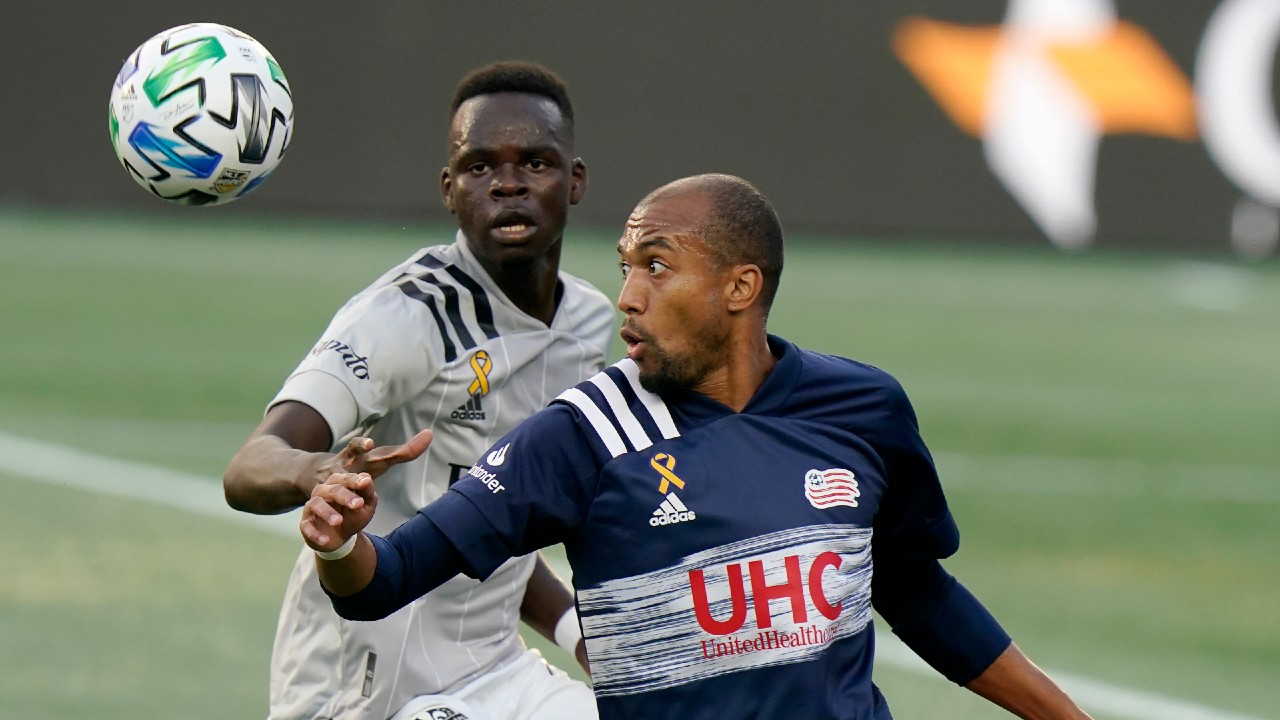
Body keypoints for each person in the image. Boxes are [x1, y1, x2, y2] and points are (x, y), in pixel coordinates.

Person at [299, 173, 1095, 719]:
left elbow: (916, 589)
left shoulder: (862, 410)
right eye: (624, 266)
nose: (627, 297)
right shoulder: (584, 435)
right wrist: (342, 541)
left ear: (739, 289)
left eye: (656, 266)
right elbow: (384, 581)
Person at [223, 61, 611, 720]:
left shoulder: (588, 324)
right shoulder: (405, 318)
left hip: (493, 669)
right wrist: (316, 472)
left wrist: (584, 637)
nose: (508, 184)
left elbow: (494, 525)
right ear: (449, 189)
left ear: (575, 181)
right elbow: (249, 465)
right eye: (481, 167)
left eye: (536, 164)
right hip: (358, 685)